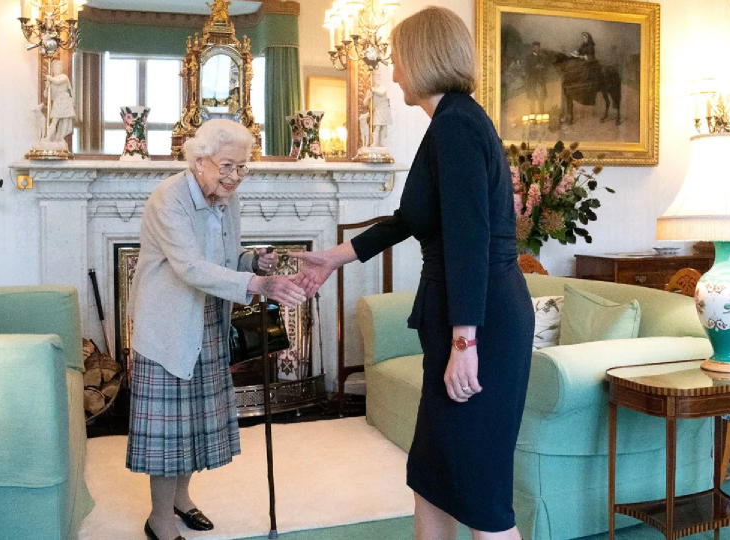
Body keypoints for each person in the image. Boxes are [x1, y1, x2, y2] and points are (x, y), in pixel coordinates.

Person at [293, 7, 533, 539]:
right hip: (462, 315)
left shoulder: (457, 126)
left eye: (398, 58)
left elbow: (470, 239)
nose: (394, 71)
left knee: (479, 492)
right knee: (433, 474)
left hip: (482, 322)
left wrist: (465, 341)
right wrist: (335, 256)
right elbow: (412, 219)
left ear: (423, 57)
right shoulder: (449, 122)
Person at [126, 119, 306, 540]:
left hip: (208, 319)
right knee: (169, 431)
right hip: (169, 324)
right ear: (199, 160)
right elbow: (189, 266)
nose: (234, 177)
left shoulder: (227, 201)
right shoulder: (168, 198)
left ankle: (181, 499)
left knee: (193, 423)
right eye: (227, 166)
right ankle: (159, 519)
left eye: (242, 168)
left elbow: (221, 257)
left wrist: (248, 262)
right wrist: (257, 284)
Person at [44, 59, 76, 142]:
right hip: (57, 102)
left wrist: (49, 78)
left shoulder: (63, 77)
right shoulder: (51, 80)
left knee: (65, 121)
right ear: (53, 69)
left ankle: (61, 138)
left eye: (59, 67)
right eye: (56, 67)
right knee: (54, 121)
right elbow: (46, 95)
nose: (58, 69)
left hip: (65, 101)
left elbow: (58, 82)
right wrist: (47, 87)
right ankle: (48, 138)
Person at [524, 41, 549, 114]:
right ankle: (532, 115)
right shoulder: (528, 58)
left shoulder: (542, 57)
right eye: (535, 47)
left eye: (538, 47)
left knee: (541, 98)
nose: (537, 48)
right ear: (532, 48)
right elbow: (526, 69)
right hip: (532, 80)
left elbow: (546, 68)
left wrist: (543, 68)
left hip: (540, 80)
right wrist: (535, 67)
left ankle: (542, 114)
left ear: (539, 48)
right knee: (532, 98)